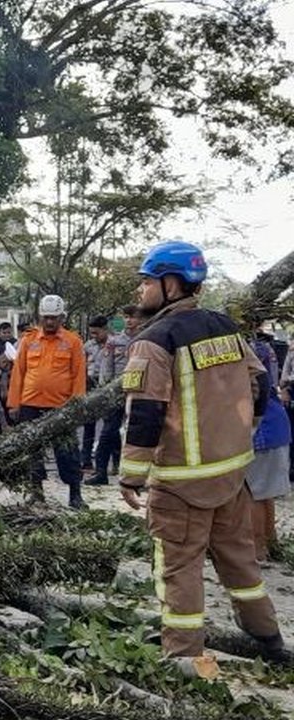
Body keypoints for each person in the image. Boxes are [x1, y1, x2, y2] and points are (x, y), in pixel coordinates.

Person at [119, 240, 286, 670]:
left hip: (181, 483)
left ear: (170, 284)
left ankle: (185, 657)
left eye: (146, 281)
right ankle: (267, 636)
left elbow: (146, 414)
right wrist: (237, 434)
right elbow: (261, 385)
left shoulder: (154, 340)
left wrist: (131, 476)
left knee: (179, 568)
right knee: (240, 560)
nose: (141, 291)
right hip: (232, 474)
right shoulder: (227, 327)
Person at [8, 295, 87, 509]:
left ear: (62, 317)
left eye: (54, 318)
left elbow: (79, 375)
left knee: (68, 450)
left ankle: (75, 494)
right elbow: (19, 373)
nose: (50, 322)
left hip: (61, 407)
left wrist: (77, 406)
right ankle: (36, 493)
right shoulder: (28, 340)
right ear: (40, 317)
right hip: (30, 405)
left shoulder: (73, 341)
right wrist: (14, 403)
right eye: (46, 318)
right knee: (32, 451)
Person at [248, 334, 291, 561]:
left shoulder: (249, 347)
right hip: (277, 425)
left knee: (253, 494)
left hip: (262, 430)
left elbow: (255, 389)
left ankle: (258, 550)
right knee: (265, 494)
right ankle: (270, 543)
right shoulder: (264, 346)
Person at [88, 306, 141, 486]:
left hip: (140, 393)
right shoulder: (114, 342)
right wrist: (105, 392)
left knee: (138, 432)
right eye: (126, 317)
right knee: (108, 431)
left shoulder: (147, 339)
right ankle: (101, 471)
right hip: (117, 394)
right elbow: (106, 368)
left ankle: (135, 475)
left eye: (132, 317)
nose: (129, 320)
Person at [81, 316, 110, 470]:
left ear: (105, 329)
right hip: (91, 386)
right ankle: (86, 460)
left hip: (107, 387)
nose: (94, 337)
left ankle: (111, 462)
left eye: (96, 333)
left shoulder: (114, 344)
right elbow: (82, 366)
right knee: (89, 425)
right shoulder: (88, 346)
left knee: (109, 427)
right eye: (91, 333)